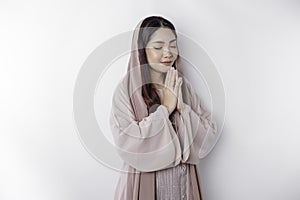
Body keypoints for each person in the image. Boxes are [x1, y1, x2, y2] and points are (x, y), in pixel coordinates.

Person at [109, 16, 218, 200]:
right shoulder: (126, 90)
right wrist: (165, 108)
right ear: (142, 51)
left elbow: (209, 133)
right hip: (145, 185)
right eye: (158, 47)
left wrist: (183, 109)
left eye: (173, 45)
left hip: (183, 184)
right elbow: (126, 141)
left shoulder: (183, 86)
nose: (168, 53)